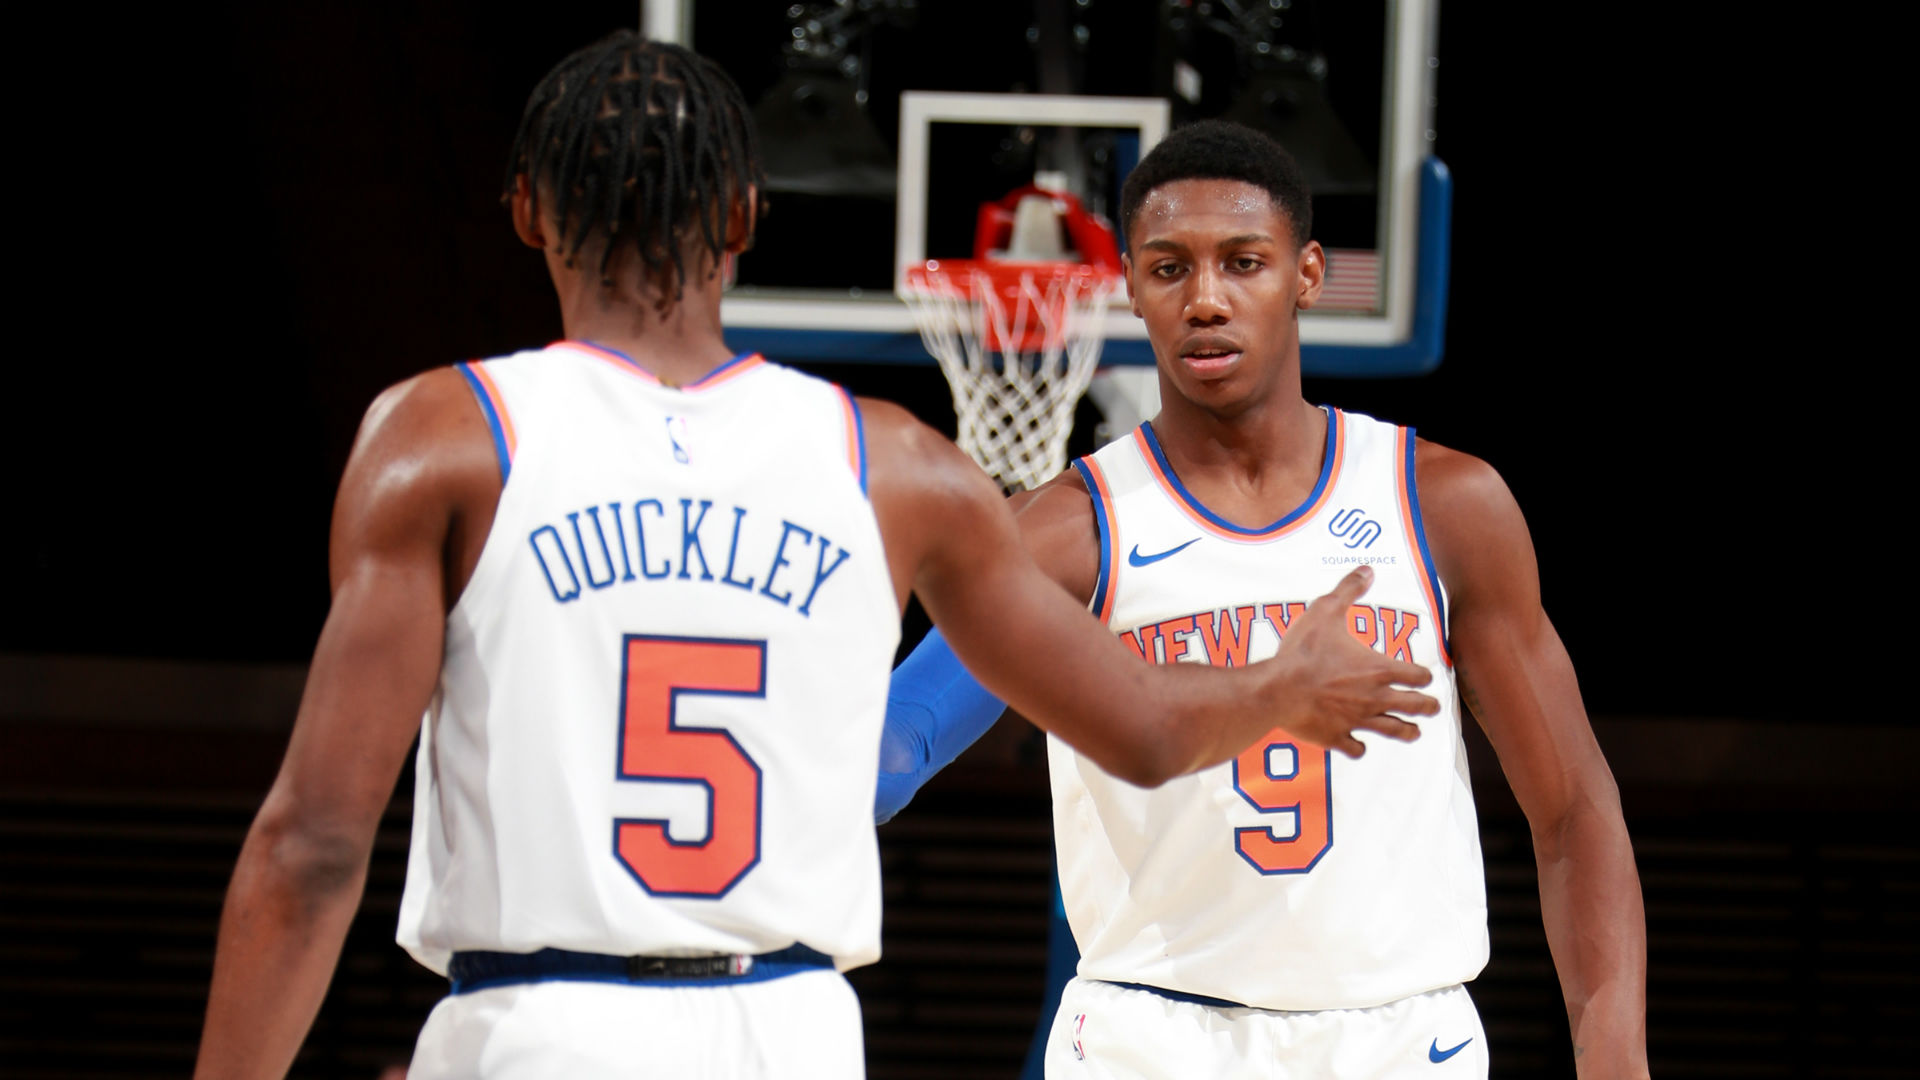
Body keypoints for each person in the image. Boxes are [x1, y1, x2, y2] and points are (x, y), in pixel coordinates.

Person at [191, 36, 1440, 1080]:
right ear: (746, 217)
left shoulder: (444, 441)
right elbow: (1143, 729)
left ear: (525, 212)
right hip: (787, 1031)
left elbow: (310, 846)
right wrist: (1282, 686)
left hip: (534, 1024)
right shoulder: (892, 466)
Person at [876, 120, 1648, 1078]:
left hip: (1401, 1038)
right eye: (1169, 269)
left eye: (1243, 262)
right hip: (1151, 1037)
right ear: (1130, 286)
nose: (1206, 300)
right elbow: (901, 740)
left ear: (1308, 275)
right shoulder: (1065, 532)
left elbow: (1572, 807)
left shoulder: (1443, 505)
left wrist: (1615, 1057)